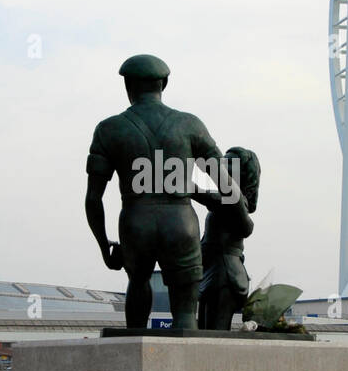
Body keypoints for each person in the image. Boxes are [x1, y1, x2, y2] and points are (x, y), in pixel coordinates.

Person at [85, 54, 234, 329]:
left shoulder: (108, 129)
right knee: (186, 315)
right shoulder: (190, 124)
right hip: (180, 222)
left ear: (127, 85)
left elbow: (93, 198)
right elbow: (224, 182)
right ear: (164, 83)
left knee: (137, 283)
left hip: (135, 222)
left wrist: (104, 245)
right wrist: (234, 211)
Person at [196, 147, 260, 330]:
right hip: (213, 270)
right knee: (204, 333)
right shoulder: (226, 199)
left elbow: (201, 194)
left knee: (215, 335)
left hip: (226, 274)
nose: (224, 163)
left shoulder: (235, 200)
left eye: (230, 162)